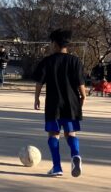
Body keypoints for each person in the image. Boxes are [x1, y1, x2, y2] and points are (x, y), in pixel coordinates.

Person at [34, 28, 86, 178]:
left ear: (55, 44)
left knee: (53, 133)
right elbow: (80, 82)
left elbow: (39, 82)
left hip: (53, 103)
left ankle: (57, 166)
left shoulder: (48, 61)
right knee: (70, 133)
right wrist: (83, 96)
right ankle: (75, 155)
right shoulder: (75, 61)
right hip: (71, 102)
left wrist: (36, 98)